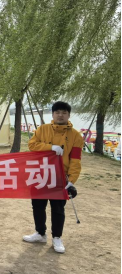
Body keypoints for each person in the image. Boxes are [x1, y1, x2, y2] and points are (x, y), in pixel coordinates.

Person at [23, 101, 84, 254]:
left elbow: (75, 159)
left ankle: (57, 237)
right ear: (53, 114)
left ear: (68, 115)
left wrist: (71, 180)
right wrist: (50, 147)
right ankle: (40, 233)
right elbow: (32, 145)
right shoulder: (42, 129)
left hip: (60, 178)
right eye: (57, 112)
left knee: (58, 208)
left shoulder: (76, 136)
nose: (60, 115)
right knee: (38, 206)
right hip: (40, 174)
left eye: (64, 112)